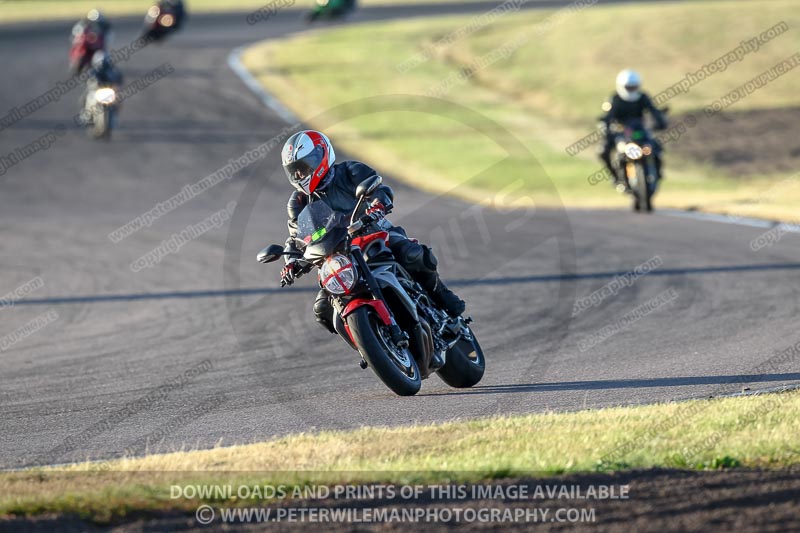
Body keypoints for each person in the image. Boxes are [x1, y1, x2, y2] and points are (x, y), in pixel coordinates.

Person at [272, 130, 465, 333]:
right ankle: (369, 338)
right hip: (336, 257)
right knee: (323, 310)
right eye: (295, 171)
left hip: (373, 234)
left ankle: (443, 299)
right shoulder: (298, 201)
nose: (301, 174)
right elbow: (297, 236)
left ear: (322, 154)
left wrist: (377, 206)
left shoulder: (349, 171)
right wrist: (291, 262)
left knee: (412, 254)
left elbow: (380, 189)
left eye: (304, 166)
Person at [598, 69, 667, 186]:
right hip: (622, 132)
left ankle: (658, 173)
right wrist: (606, 128)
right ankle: (616, 178)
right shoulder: (615, 99)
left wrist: (660, 122)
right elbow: (607, 117)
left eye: (633, 87)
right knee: (603, 151)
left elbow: (654, 111)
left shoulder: (643, 97)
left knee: (656, 148)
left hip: (640, 131)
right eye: (628, 87)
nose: (631, 90)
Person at [70, 9, 112, 75]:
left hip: (97, 49)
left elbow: (106, 41)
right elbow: (75, 37)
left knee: (103, 58)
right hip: (85, 47)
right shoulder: (82, 26)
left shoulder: (104, 29)